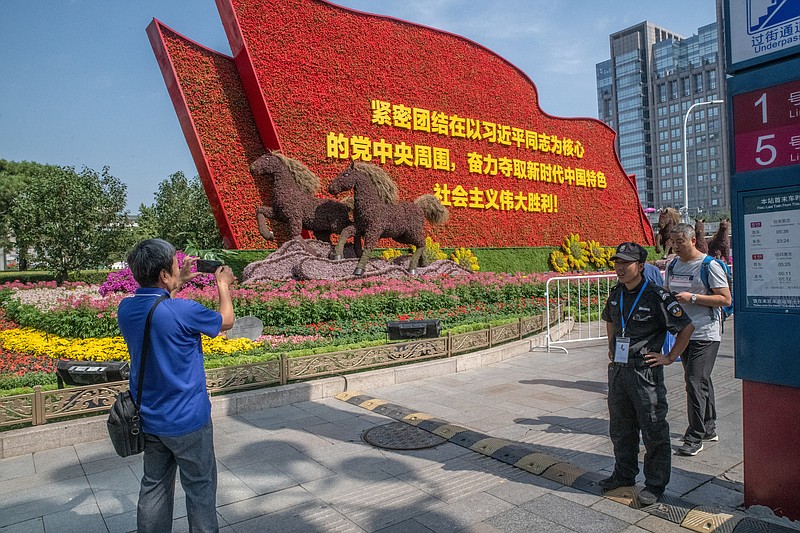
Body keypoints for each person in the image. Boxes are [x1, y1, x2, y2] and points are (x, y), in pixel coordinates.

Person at [118, 239, 235, 533]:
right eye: (173, 263)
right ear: (163, 275)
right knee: (200, 489)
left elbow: (156, 307)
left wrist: (175, 282)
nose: (177, 265)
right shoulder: (182, 310)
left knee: (154, 489)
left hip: (150, 419)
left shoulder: (126, 308)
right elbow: (227, 321)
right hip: (188, 420)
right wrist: (223, 284)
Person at [601, 242, 694, 506]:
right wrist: (611, 346)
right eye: (617, 263)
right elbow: (609, 317)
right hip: (619, 371)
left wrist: (670, 357)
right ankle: (624, 474)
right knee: (621, 428)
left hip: (645, 374)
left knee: (653, 429)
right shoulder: (617, 292)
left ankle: (655, 484)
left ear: (640, 266)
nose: (619, 268)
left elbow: (685, 328)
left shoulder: (656, 295)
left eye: (625, 263)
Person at [665, 223, 732, 456]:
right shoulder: (673, 264)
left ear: (693, 240)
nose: (675, 246)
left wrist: (692, 297)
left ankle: (694, 437)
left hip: (706, 333)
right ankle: (709, 427)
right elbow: (668, 293)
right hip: (684, 333)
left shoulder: (709, 265)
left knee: (694, 381)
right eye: (672, 241)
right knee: (701, 381)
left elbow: (725, 299)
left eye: (680, 241)